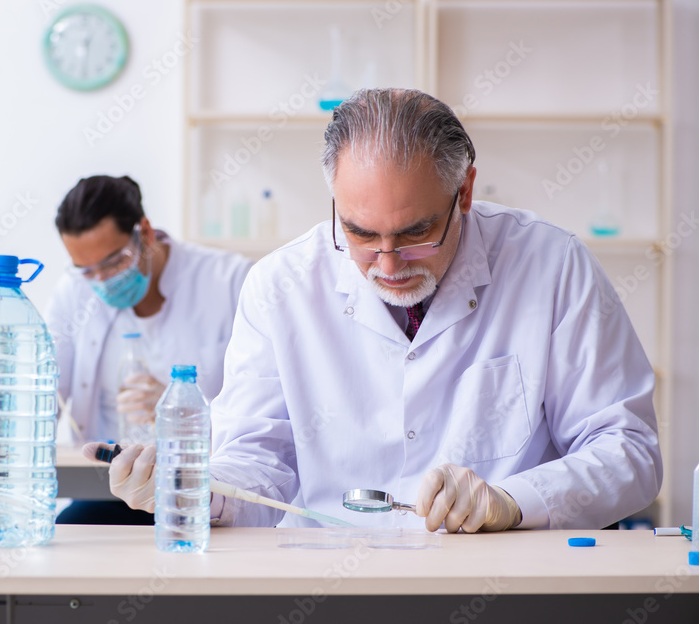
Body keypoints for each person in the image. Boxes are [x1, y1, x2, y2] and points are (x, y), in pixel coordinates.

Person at [87, 89, 662, 533]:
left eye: (416, 234)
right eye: (359, 233)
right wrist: (195, 488)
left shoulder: (552, 265)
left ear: (464, 193)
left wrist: (513, 501)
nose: (387, 264)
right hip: (328, 587)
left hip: (499, 580)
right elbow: (258, 463)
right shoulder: (279, 287)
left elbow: (629, 451)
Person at [47, 174, 252, 525]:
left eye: (114, 262)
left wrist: (185, 415)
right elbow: (45, 387)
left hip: (201, 489)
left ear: (144, 232)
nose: (102, 280)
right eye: (87, 270)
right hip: (107, 487)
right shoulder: (73, 291)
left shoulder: (231, 280)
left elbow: (260, 412)